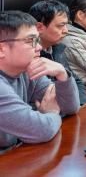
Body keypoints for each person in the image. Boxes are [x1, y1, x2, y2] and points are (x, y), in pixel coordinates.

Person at [0, 11, 79, 149]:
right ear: (1, 49)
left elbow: (69, 108)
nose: (39, 47)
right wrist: (50, 113)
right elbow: (41, 130)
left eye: (37, 40)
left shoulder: (26, 70)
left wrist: (62, 74)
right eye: (30, 40)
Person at [29, 0, 86, 105]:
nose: (66, 31)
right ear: (39, 27)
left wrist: (80, 105)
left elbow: (76, 81)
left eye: (66, 25)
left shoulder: (58, 48)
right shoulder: (29, 57)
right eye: (61, 25)